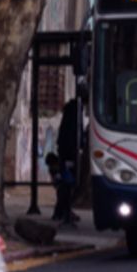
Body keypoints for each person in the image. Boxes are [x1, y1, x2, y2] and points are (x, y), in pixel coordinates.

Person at [53, 94, 82, 225]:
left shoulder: (69, 118)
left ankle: (62, 210)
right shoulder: (73, 118)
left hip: (67, 154)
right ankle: (62, 211)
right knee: (67, 184)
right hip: (68, 155)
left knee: (67, 184)